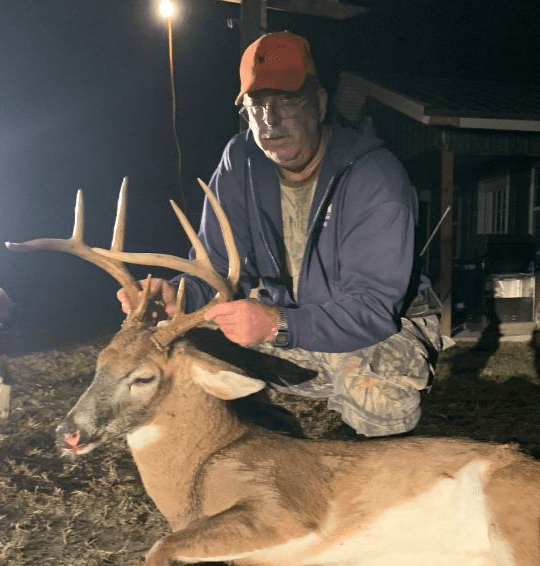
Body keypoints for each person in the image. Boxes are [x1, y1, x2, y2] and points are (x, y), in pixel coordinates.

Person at [120, 31, 442, 438]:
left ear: (320, 103)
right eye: (257, 106)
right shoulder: (240, 161)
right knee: (185, 349)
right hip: (288, 322)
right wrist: (178, 295)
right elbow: (217, 268)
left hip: (378, 328)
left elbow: (373, 309)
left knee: (376, 392)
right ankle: (266, 443)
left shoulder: (374, 174)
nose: (270, 121)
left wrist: (278, 324)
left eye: (287, 102)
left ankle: (373, 463)